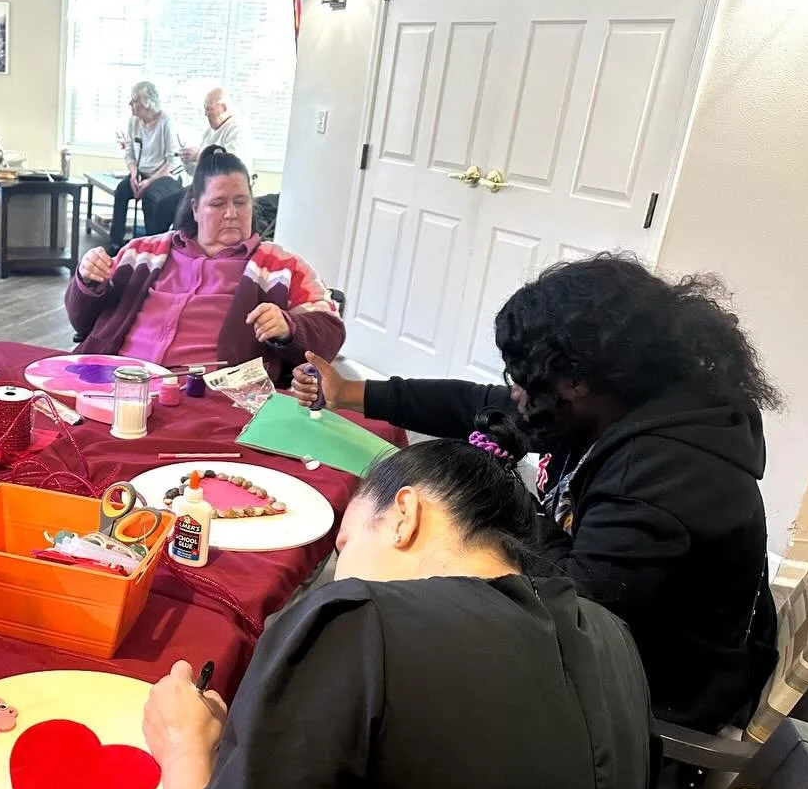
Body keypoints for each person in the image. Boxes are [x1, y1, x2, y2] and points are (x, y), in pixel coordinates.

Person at [144, 411, 655, 789]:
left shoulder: (360, 622)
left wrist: (184, 748)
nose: (341, 571)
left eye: (345, 547)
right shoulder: (611, 636)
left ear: (404, 514)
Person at [292, 254, 782, 733]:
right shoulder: (618, 404)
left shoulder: (662, 475)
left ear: (577, 382)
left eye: (526, 383)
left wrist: (501, 483)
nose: (516, 395)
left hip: (660, 694)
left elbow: (570, 604)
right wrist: (351, 393)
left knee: (408, 645)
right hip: (629, 627)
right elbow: (478, 404)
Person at [67, 146, 342, 383]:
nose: (232, 213)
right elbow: (82, 321)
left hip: (210, 402)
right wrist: (86, 281)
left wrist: (289, 327)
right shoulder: (140, 253)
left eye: (241, 202)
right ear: (196, 208)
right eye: (218, 203)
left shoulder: (281, 267)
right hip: (110, 384)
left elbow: (330, 333)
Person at [109, 81, 184, 251]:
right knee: (121, 191)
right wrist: (134, 175)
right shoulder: (134, 121)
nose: (131, 104)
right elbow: (129, 152)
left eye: (134, 101)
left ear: (147, 103)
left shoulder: (166, 122)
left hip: (166, 175)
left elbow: (172, 161)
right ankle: (115, 244)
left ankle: (153, 248)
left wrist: (148, 183)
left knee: (150, 197)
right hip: (142, 172)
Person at [180, 87, 253, 177]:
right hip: (208, 186)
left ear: (223, 108)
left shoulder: (238, 130)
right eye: (205, 109)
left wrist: (198, 155)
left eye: (209, 109)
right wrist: (188, 161)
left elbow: (229, 164)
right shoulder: (208, 132)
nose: (206, 114)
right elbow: (198, 172)